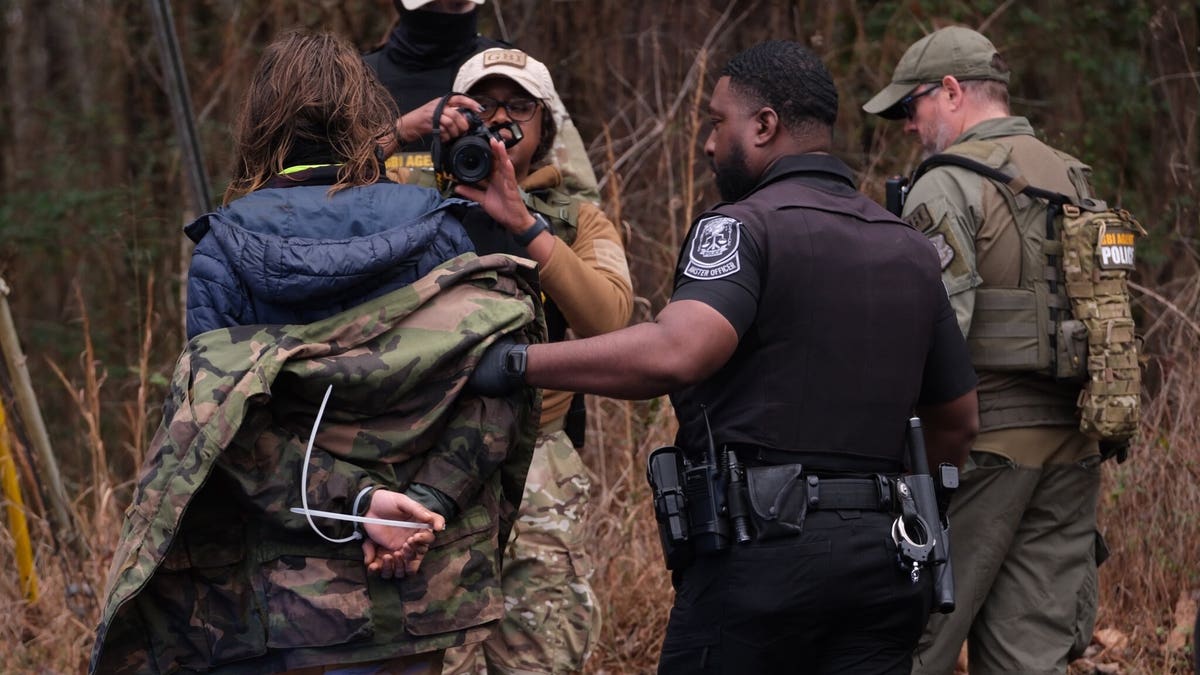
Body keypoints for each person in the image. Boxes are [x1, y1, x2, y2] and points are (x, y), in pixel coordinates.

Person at [466, 40, 980, 674]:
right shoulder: (910, 249)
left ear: (763, 126)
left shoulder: (741, 226)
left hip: (761, 562)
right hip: (889, 561)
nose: (709, 145)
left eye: (716, 123)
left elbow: (676, 352)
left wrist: (515, 364)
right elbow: (958, 421)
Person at [90, 30, 545, 674]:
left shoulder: (225, 253)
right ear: (367, 119)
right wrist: (421, 511)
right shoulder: (438, 231)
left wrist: (357, 508)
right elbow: (493, 390)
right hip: (414, 591)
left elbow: (224, 428)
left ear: (258, 125)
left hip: (282, 601)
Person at [863, 25, 1107, 674]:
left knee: (916, 642)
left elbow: (933, 335)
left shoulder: (945, 184)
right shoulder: (1075, 178)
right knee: (1032, 654)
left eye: (910, 108)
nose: (909, 128)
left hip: (984, 450)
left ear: (950, 92)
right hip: (1074, 448)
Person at [434, 48, 633, 675]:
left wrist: (524, 224)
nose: (500, 122)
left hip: (538, 451)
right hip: (428, 450)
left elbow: (610, 319)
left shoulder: (576, 220)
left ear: (545, 127)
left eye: (519, 107)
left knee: (541, 650)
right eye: (481, 106)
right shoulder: (410, 208)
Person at [363, 0, 600, 201]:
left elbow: (580, 195)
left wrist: (532, 227)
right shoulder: (358, 81)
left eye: (457, 5)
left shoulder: (511, 72)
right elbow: (332, 179)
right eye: (433, 6)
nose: (445, 18)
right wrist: (402, 131)